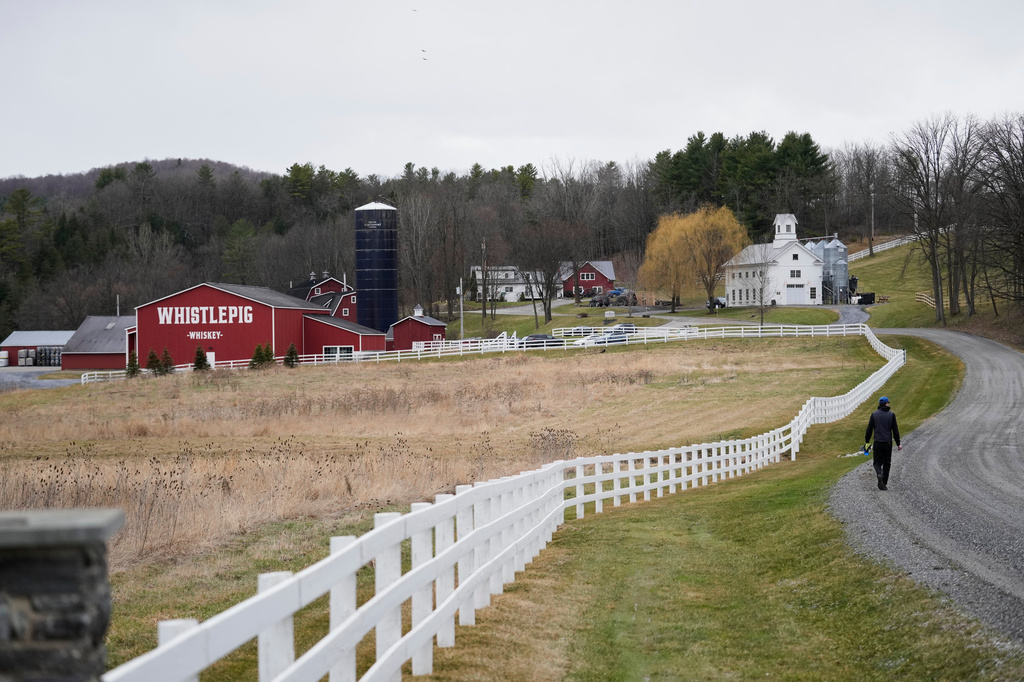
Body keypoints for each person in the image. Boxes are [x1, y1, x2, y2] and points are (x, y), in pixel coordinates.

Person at [865, 396, 901, 490]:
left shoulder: (874, 414)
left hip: (878, 442)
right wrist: (898, 443)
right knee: (887, 463)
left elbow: (869, 430)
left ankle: (879, 474)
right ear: (886, 403)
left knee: (877, 463)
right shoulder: (891, 415)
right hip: (888, 442)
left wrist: (867, 441)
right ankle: (884, 483)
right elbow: (895, 430)